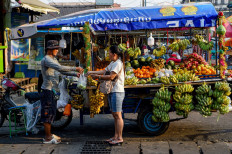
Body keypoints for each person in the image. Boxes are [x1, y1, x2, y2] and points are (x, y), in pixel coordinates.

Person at [40, 40, 84, 144]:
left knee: (51, 113)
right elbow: (60, 67)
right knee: (47, 114)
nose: (57, 50)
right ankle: (47, 138)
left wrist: (74, 74)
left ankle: (49, 135)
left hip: (52, 90)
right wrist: (75, 68)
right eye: (56, 49)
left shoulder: (53, 59)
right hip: (47, 90)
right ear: (50, 49)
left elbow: (61, 71)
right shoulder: (46, 59)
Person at [87, 45, 125, 145]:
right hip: (112, 91)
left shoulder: (118, 63)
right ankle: (115, 136)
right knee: (114, 114)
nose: (108, 55)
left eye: (109, 53)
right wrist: (91, 72)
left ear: (114, 54)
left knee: (118, 115)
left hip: (117, 91)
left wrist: (98, 77)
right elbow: (104, 71)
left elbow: (111, 76)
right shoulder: (113, 63)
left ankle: (120, 137)